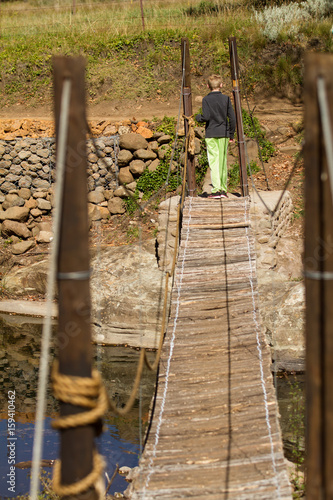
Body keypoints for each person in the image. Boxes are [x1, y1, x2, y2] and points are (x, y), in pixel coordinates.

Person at [196, 74, 236, 198]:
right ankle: (224, 189)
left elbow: (206, 117)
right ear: (221, 85)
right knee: (223, 161)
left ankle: (216, 190)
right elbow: (232, 118)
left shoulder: (206, 100)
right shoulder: (226, 99)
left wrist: (199, 117)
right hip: (224, 133)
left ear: (208, 86)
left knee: (214, 161)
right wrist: (231, 134)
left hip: (211, 133)